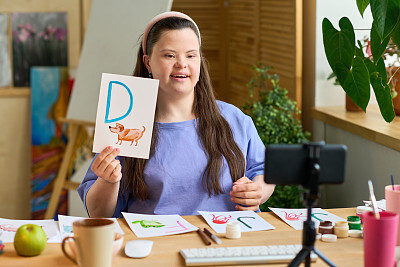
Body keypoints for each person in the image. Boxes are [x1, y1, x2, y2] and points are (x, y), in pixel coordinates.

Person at [77, 11, 275, 218]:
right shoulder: (126, 125)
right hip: (156, 243)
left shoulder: (234, 118)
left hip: (228, 239)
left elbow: (263, 171)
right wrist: (108, 180)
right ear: (147, 63)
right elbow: (98, 214)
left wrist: (258, 192)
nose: (182, 64)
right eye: (169, 55)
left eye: (191, 55)